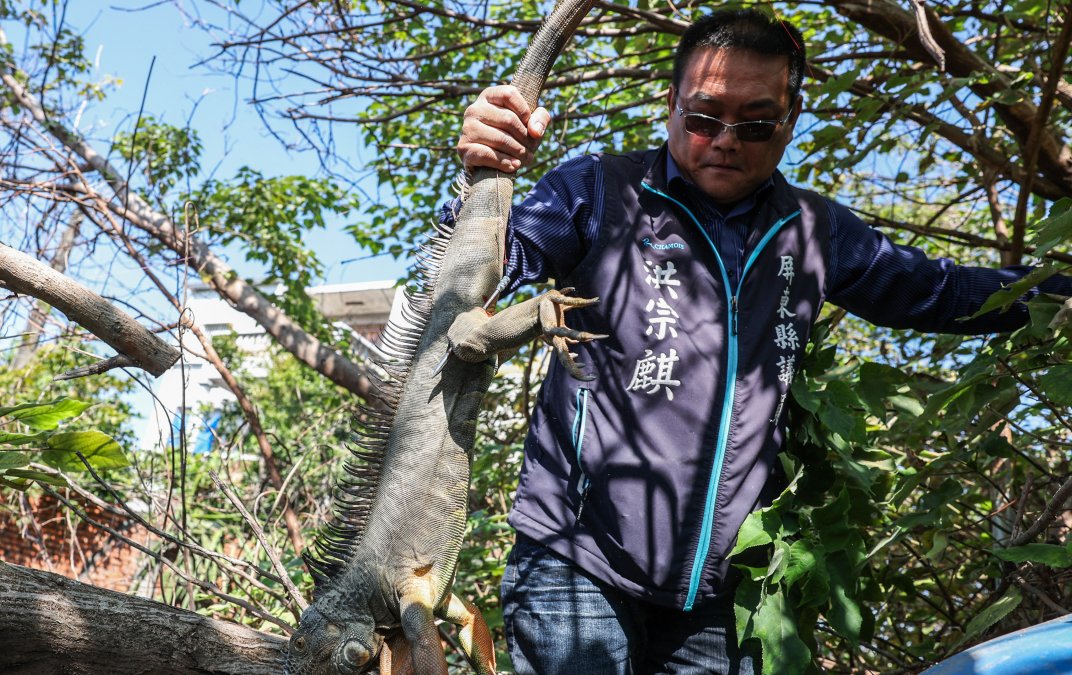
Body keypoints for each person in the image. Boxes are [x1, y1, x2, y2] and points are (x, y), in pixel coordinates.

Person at [451, 8, 1072, 675]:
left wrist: (1057, 292)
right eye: (702, 116)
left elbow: (942, 291)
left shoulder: (813, 230)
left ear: (790, 119)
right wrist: (483, 176)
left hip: (721, 593)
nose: (724, 140)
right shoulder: (600, 190)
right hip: (578, 559)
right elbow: (480, 269)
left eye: (754, 123)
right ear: (670, 104)